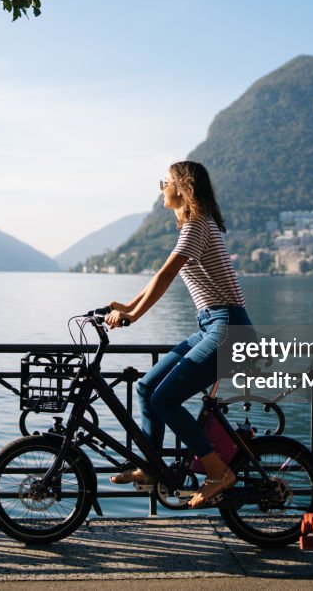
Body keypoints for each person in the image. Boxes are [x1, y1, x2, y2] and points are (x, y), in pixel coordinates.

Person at [105, 160, 253, 508]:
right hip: (211, 325)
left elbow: (167, 276)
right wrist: (127, 305)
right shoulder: (195, 226)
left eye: (165, 182)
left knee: (165, 399)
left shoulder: (198, 225)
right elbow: (161, 274)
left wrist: (134, 315)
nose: (161, 189)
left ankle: (218, 472)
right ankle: (151, 467)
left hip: (229, 327)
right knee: (146, 387)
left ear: (183, 187)